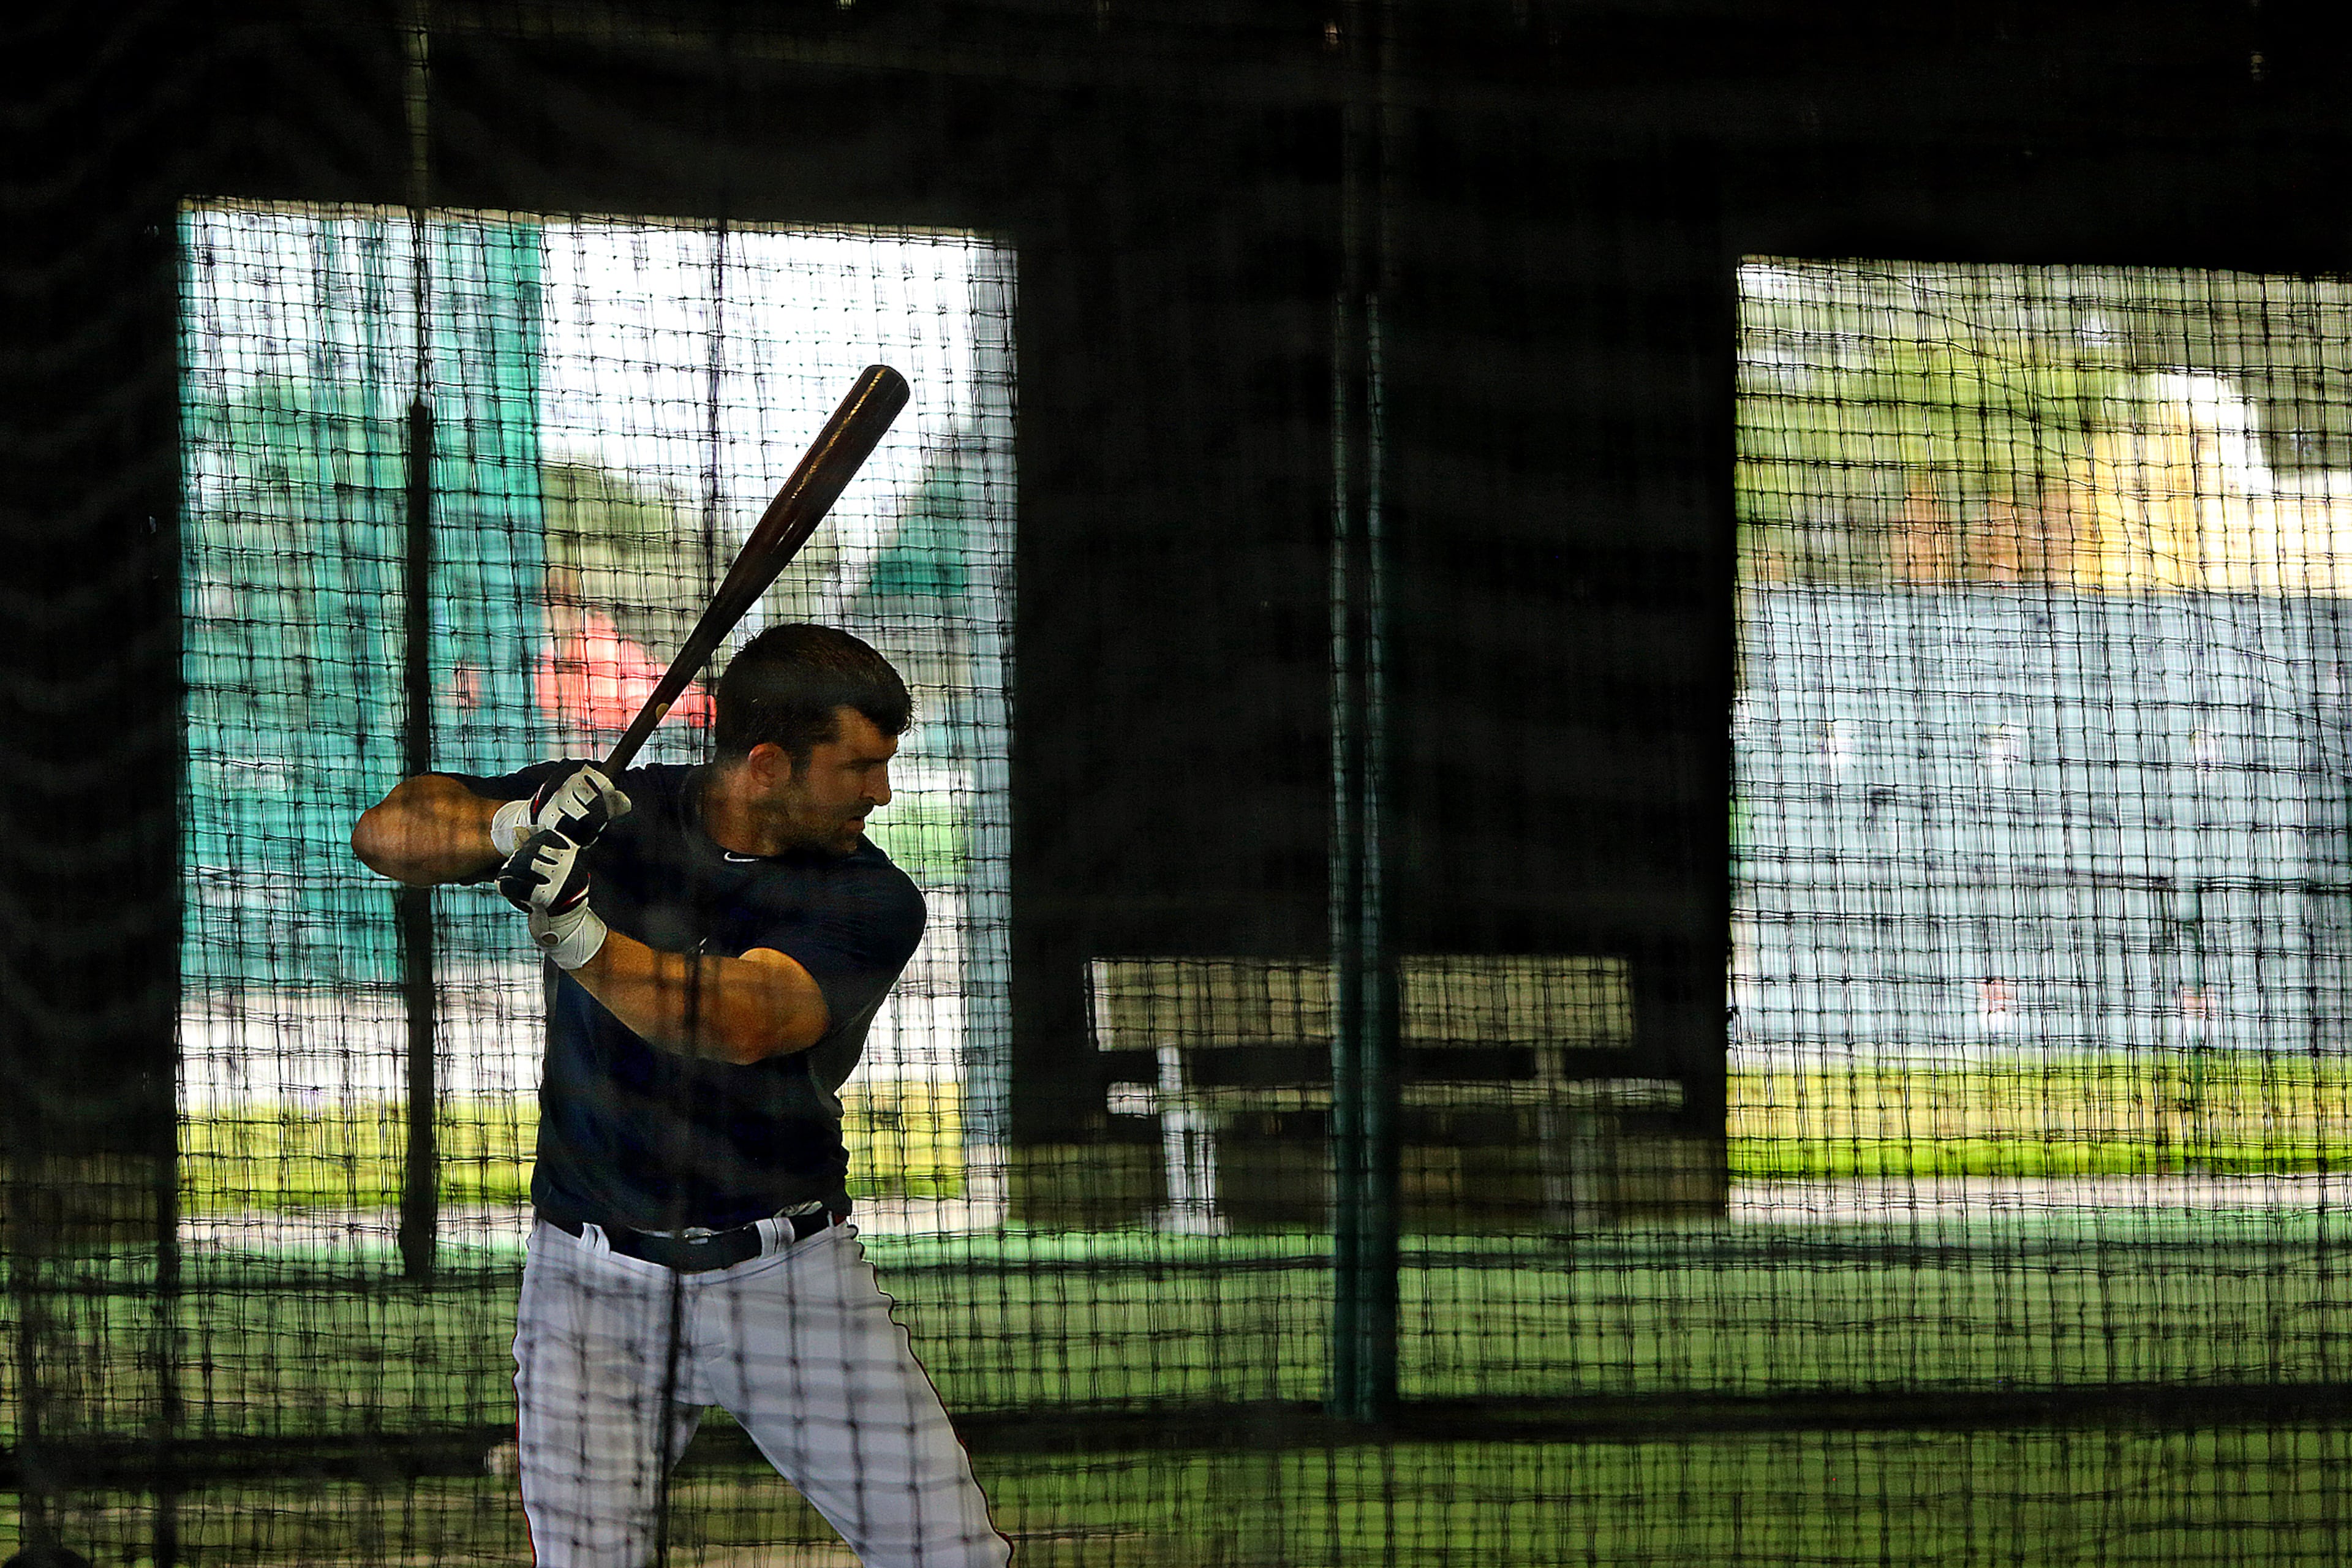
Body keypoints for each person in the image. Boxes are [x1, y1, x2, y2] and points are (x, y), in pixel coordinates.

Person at [351, 624, 1009, 1568]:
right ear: (771, 763)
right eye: (861, 766)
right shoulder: (617, 812)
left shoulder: (873, 898)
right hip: (590, 1280)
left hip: (784, 1276)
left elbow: (744, 1021)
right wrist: (510, 825)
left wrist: (578, 933)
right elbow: (388, 830)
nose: (883, 792)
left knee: (953, 1556)